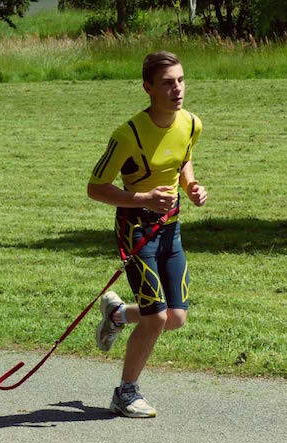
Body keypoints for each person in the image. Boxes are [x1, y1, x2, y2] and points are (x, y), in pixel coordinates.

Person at [87, 51, 208, 418]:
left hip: (171, 229)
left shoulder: (190, 124)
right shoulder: (128, 134)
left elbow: (182, 159)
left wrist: (192, 186)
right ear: (148, 88)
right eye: (168, 82)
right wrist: (142, 197)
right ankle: (125, 393)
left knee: (175, 317)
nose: (177, 89)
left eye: (181, 80)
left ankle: (119, 316)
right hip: (135, 229)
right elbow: (95, 187)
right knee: (155, 317)